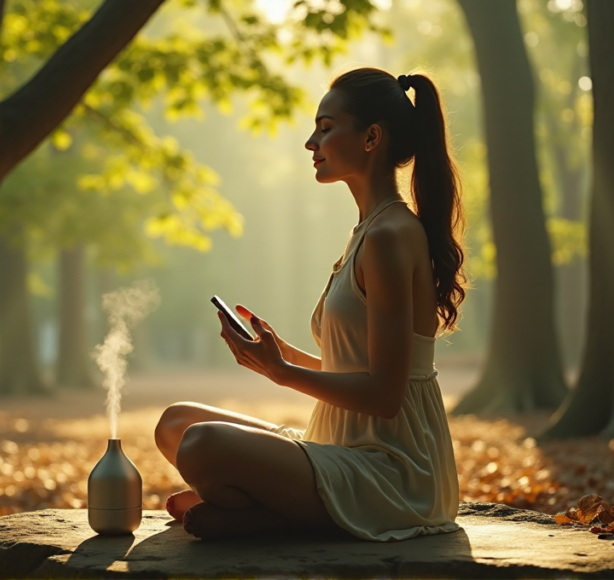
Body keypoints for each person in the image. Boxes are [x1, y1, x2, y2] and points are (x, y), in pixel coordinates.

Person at [153, 67, 466, 540]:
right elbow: (356, 365)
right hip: (336, 443)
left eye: (325, 127)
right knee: (176, 422)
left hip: (392, 471)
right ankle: (279, 513)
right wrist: (279, 357)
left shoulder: (390, 236)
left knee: (200, 445)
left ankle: (274, 520)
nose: (310, 143)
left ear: (371, 138)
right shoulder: (367, 232)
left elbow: (385, 394)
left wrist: (283, 374)